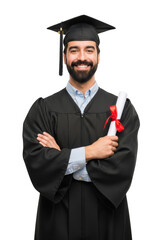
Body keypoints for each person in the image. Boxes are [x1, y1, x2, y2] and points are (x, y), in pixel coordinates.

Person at [23, 15, 140, 240]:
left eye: (89, 50)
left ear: (98, 55)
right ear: (64, 55)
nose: (82, 57)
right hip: (56, 222)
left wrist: (62, 159)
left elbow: (122, 169)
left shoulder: (122, 110)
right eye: (74, 50)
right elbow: (38, 163)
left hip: (107, 221)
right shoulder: (43, 109)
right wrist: (90, 153)